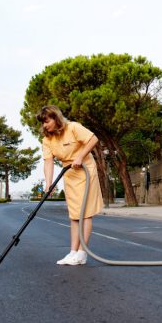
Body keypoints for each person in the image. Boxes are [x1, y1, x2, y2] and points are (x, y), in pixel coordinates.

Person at [38, 105, 104, 266]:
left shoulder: (73, 127)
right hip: (69, 173)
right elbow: (48, 162)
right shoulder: (47, 140)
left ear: (56, 118)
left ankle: (82, 253)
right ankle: (73, 252)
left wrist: (81, 156)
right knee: (74, 215)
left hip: (85, 170)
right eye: (42, 123)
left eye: (47, 121)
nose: (44, 126)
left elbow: (93, 139)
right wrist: (49, 183)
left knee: (85, 213)